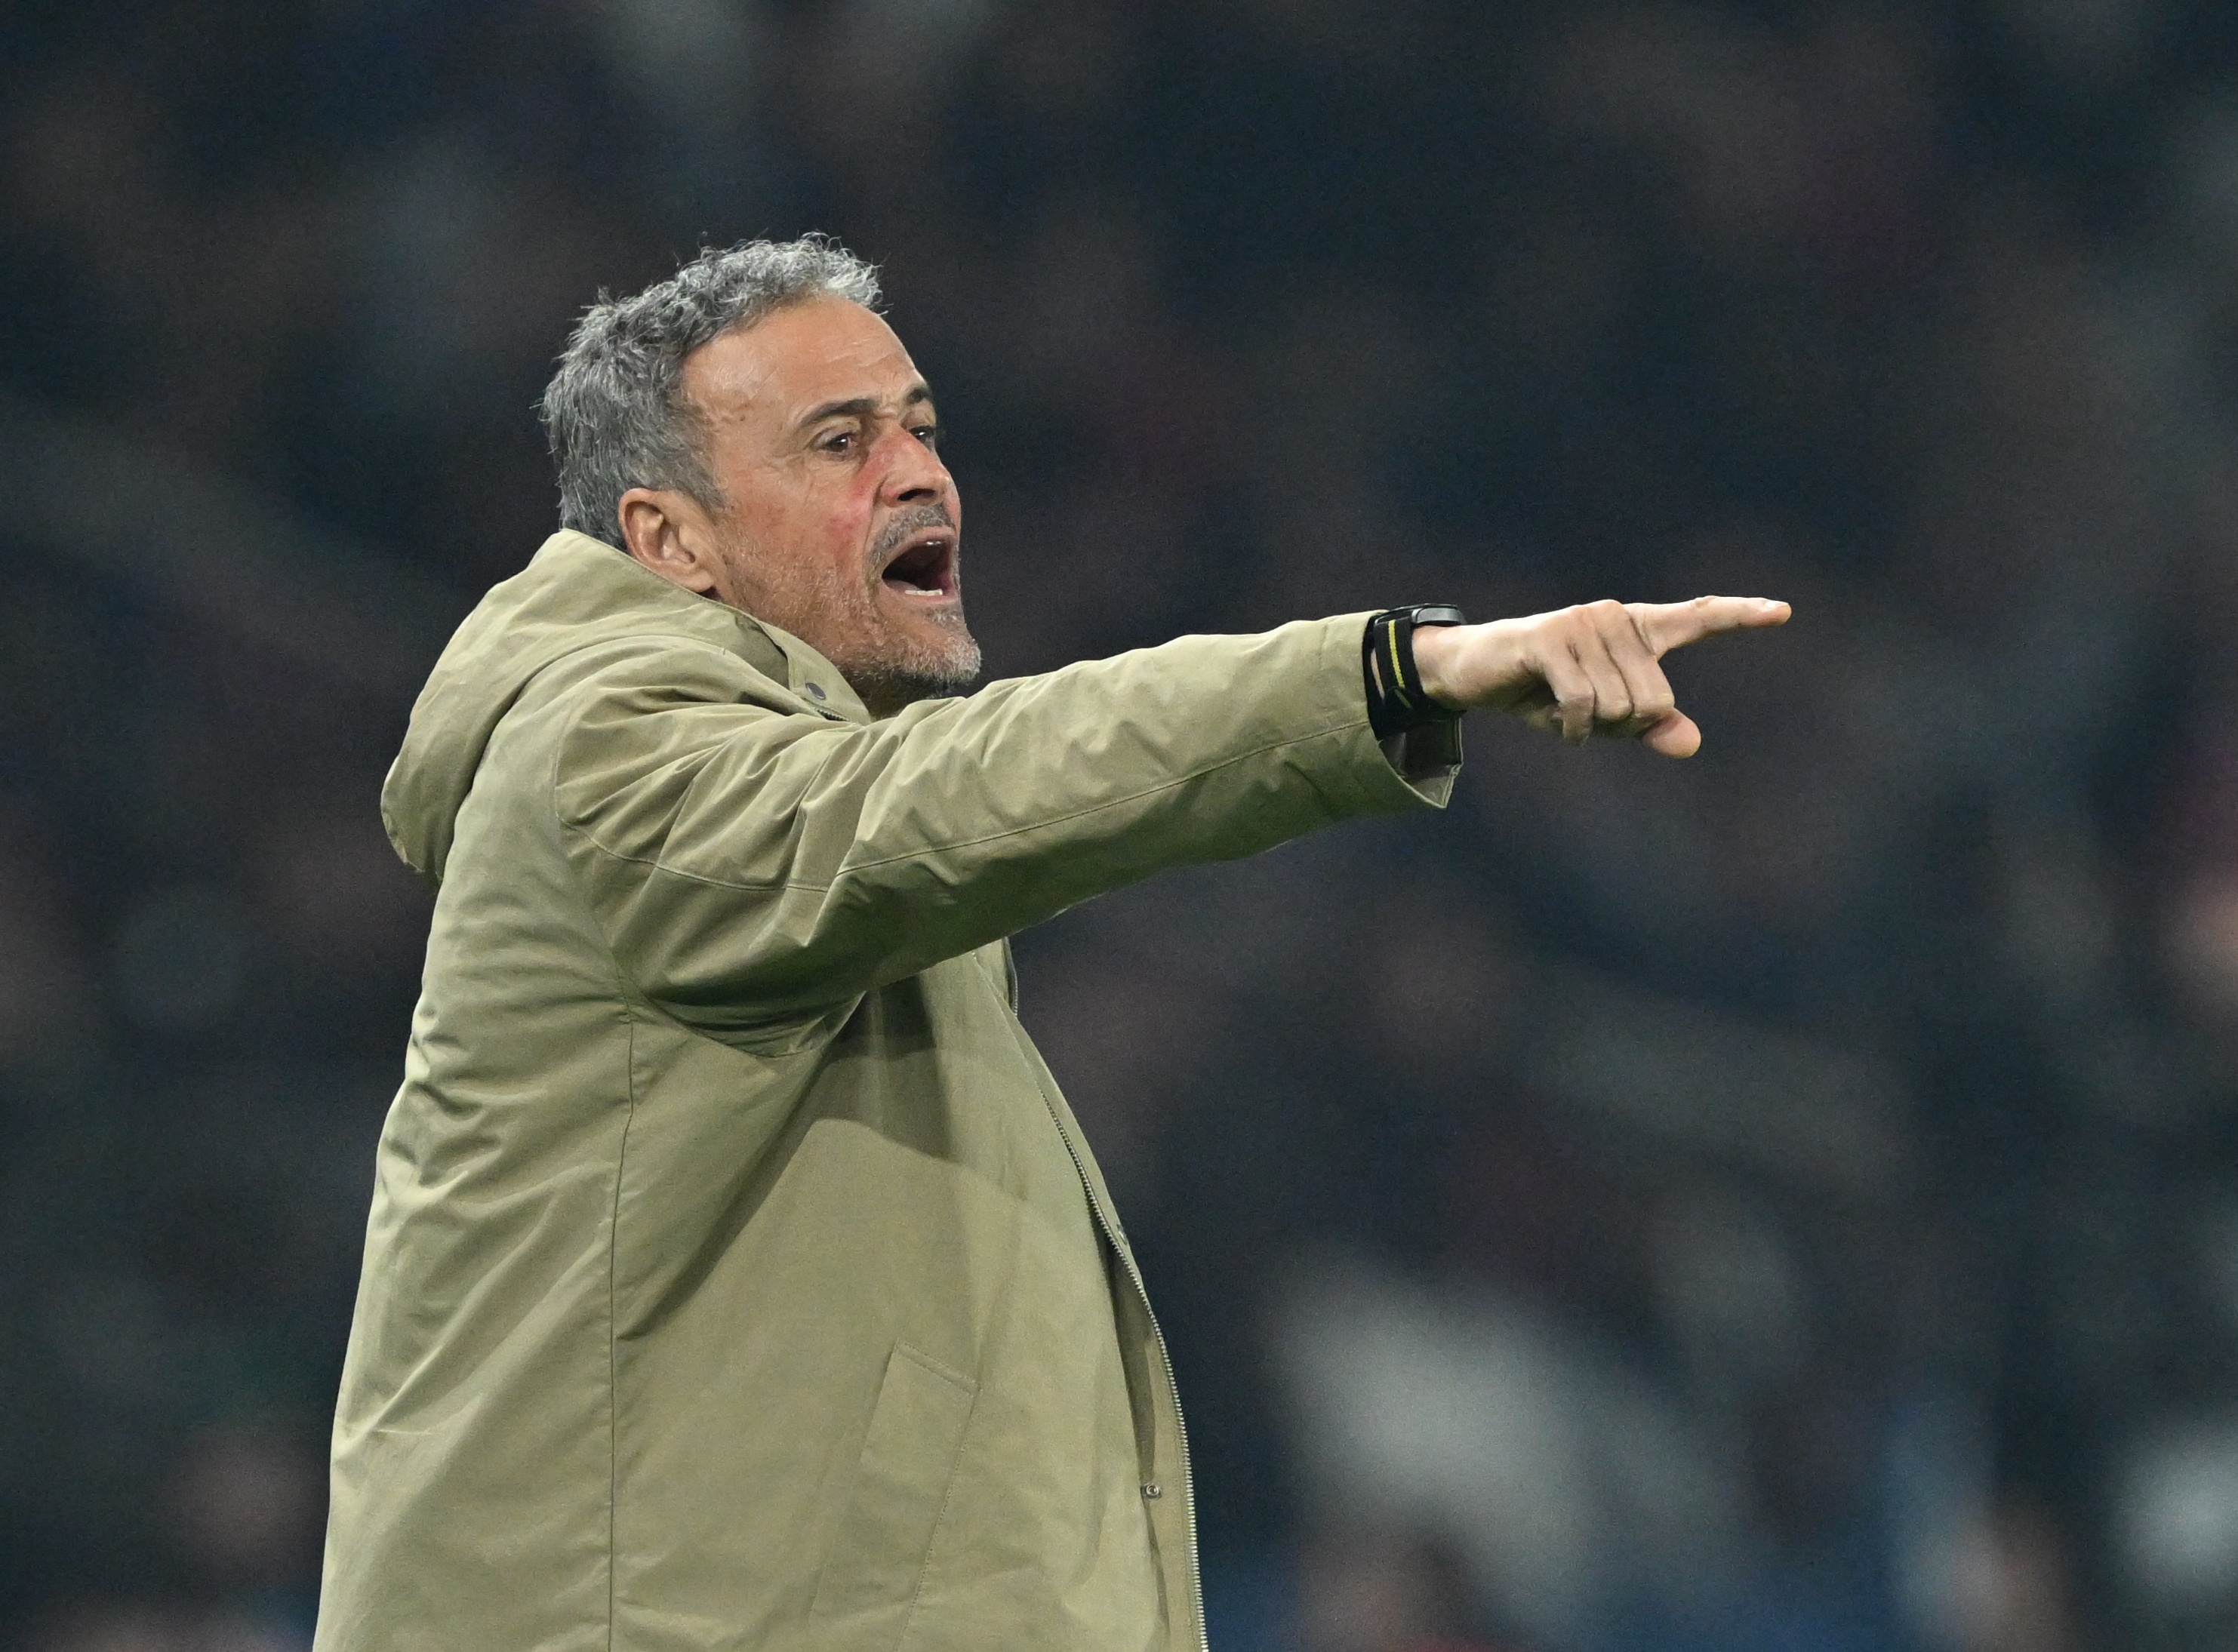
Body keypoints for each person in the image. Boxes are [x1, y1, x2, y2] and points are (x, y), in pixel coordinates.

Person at [312, 236, 1788, 1652]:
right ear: (669, 539)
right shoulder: (602, 750)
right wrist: (1398, 673)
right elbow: (976, 785)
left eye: (920, 427)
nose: (917, 473)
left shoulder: (799, 795)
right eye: (838, 442)